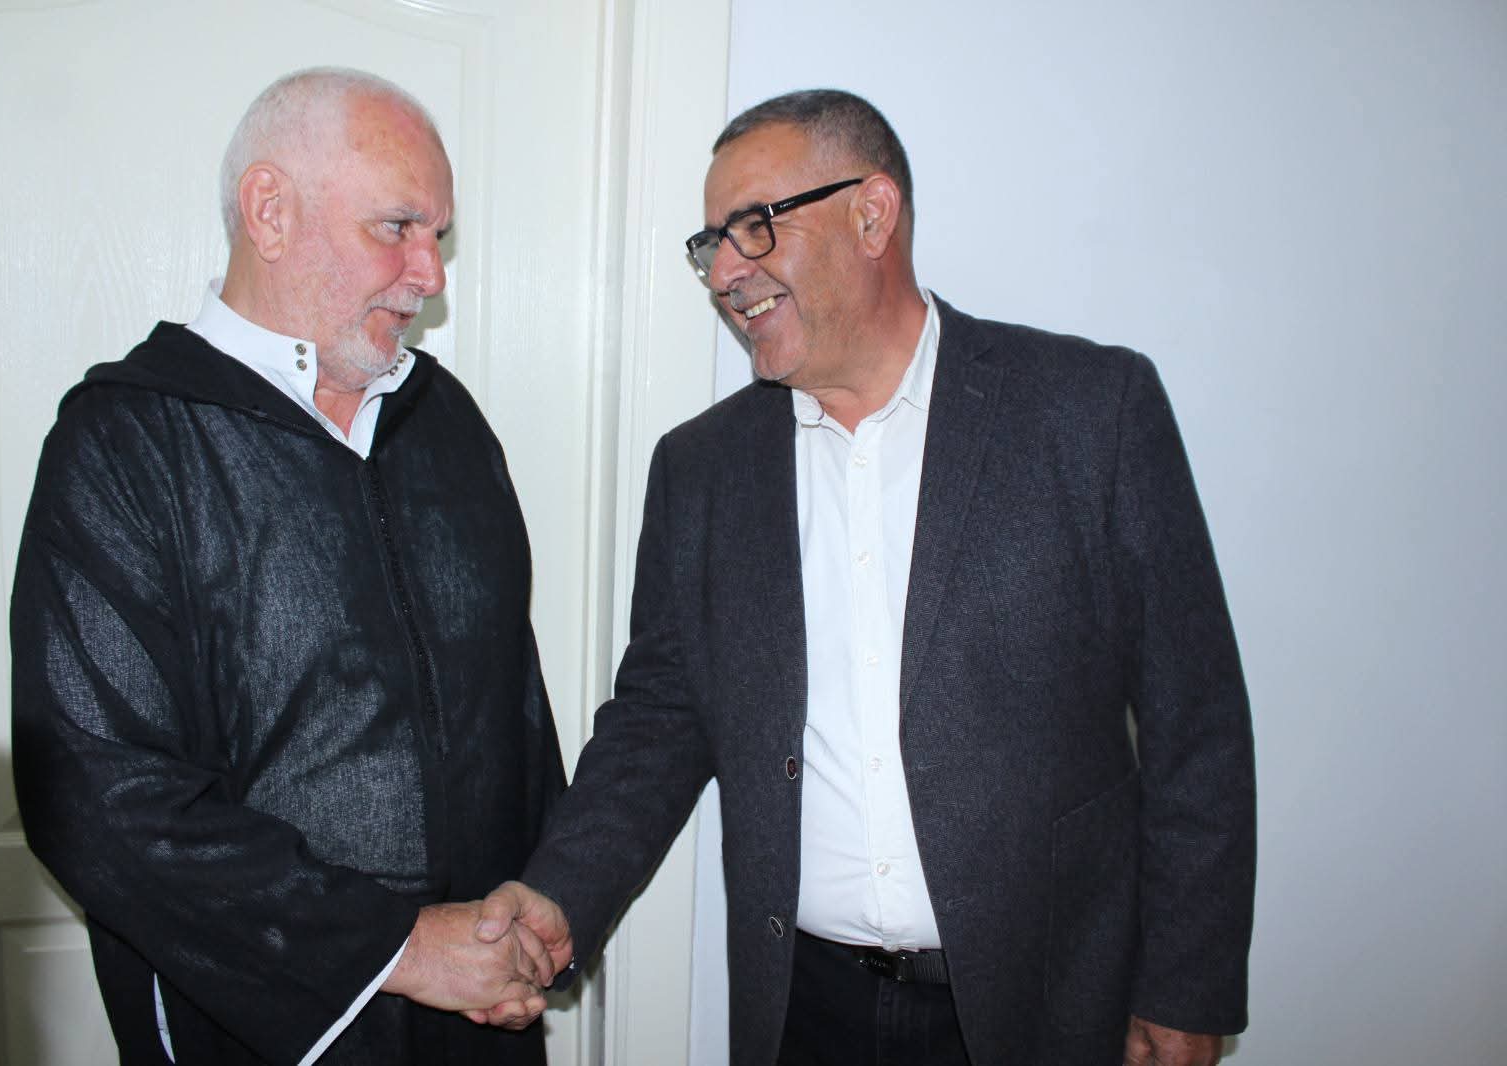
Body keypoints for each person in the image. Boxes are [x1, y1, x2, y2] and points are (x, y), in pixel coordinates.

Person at [485, 89, 1255, 1066]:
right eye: (711, 244)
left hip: (1047, 1004)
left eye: (754, 226)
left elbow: (1198, 723)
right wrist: (557, 898)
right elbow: (659, 719)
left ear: (871, 214)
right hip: (806, 1010)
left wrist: (1185, 990)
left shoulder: (1089, 413)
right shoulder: (702, 469)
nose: (724, 272)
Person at [11, 67, 566, 1065]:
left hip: (479, 1014)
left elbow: (512, 710)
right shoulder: (128, 442)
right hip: (258, 1026)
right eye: (396, 226)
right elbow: (96, 793)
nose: (429, 273)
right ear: (269, 210)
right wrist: (398, 948)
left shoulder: (446, 422)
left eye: (437, 235)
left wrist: (539, 906)